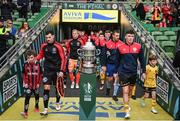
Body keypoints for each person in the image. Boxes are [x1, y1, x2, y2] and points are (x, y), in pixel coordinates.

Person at [117, 30, 146, 119]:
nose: (130, 38)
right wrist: (116, 72)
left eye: (132, 36)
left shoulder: (138, 47)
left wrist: (143, 71)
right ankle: (126, 111)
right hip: (123, 72)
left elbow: (142, 60)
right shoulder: (120, 47)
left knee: (130, 91)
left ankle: (127, 104)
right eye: (129, 36)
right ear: (125, 37)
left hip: (133, 72)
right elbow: (117, 61)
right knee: (125, 91)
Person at [36, 31, 65, 115]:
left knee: (57, 88)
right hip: (47, 70)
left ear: (53, 36)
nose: (47, 39)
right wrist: (34, 59)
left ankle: (57, 103)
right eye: (46, 38)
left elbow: (63, 59)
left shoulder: (58, 46)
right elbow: (40, 55)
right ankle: (45, 109)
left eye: (49, 37)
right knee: (46, 88)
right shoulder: (43, 46)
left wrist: (62, 71)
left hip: (57, 71)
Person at [101, 30, 123, 100]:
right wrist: (103, 65)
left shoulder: (122, 44)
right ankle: (108, 88)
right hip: (110, 64)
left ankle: (114, 95)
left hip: (118, 65)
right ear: (112, 35)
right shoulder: (107, 44)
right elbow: (103, 55)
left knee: (117, 79)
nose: (118, 37)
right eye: (116, 36)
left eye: (118, 36)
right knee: (109, 79)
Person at [20, 50, 42, 118]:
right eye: (28, 58)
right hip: (29, 85)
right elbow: (23, 74)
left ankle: (36, 106)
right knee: (27, 98)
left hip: (36, 85)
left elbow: (41, 74)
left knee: (37, 96)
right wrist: (25, 83)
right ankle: (25, 112)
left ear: (35, 57)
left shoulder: (38, 64)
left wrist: (39, 83)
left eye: (32, 57)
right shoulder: (25, 64)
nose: (30, 59)